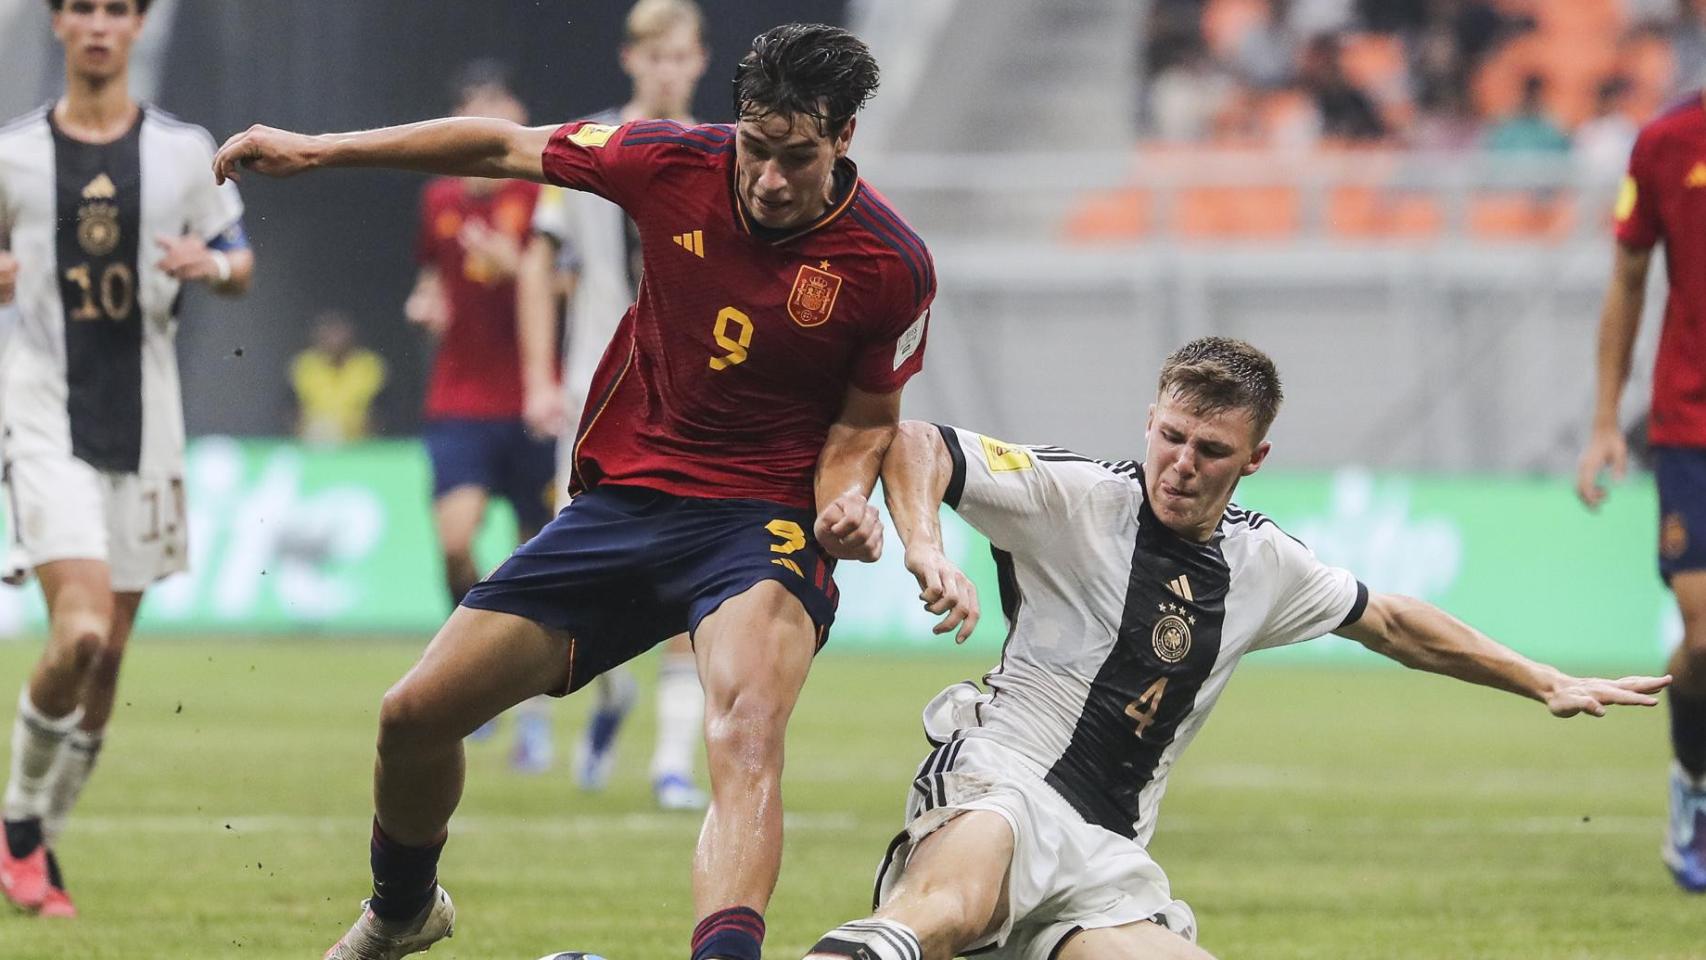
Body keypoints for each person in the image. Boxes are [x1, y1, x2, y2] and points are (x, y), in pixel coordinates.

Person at [214, 22, 933, 960]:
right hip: (624, 501)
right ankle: (402, 911)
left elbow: (867, 421)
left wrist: (846, 499)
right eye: (755, 149)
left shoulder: (891, 265)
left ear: (842, 140)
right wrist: (324, 149)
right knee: (413, 717)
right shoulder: (669, 159)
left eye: (795, 158)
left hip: (762, 523)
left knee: (747, 728)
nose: (766, 179)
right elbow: (496, 146)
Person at [804, 337, 1670, 960]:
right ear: (1149, 421)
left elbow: (1398, 624)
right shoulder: (1076, 499)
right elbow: (918, 444)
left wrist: (1543, 679)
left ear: (1254, 458)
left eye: (1210, 450)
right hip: (1007, 776)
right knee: (942, 913)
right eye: (1170, 437)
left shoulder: (1264, 564)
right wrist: (923, 546)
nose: (1181, 463)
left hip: (1106, 854)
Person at [0, 0, 254, 919]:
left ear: (138, 26)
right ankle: (19, 825)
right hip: (42, 416)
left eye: (117, 9)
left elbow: (239, 256)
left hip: (148, 423)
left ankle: (41, 844)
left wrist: (211, 266)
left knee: (106, 671)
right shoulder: (13, 155)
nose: (100, 25)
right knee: (81, 634)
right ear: (61, 25)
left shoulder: (185, 151)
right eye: (83, 9)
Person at [518, 0, 711, 810]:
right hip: (599, 397)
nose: (669, 68)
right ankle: (605, 697)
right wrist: (537, 375)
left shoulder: (727, 155)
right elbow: (540, 264)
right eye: (655, 55)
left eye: (682, 55)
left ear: (699, 62)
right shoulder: (585, 147)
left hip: (696, 402)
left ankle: (671, 761)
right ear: (632, 59)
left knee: (693, 580)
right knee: (582, 581)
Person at [406, 61, 557, 773]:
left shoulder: (540, 197)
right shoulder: (438, 199)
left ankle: (525, 705)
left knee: (540, 563)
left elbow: (561, 284)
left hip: (531, 403)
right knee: (455, 542)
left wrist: (522, 269)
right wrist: (427, 300)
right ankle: (471, 666)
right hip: (459, 400)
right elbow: (432, 276)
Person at [1577, 88, 1706, 894]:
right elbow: (1627, 279)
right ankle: (1694, 790)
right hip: (1693, 427)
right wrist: (1602, 422)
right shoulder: (1667, 142)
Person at [290, 309, 387, 445]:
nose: (334, 340)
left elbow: (380, 408)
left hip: (360, 440)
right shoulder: (305, 365)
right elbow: (293, 408)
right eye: (328, 334)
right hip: (315, 439)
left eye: (338, 333)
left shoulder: (368, 365)